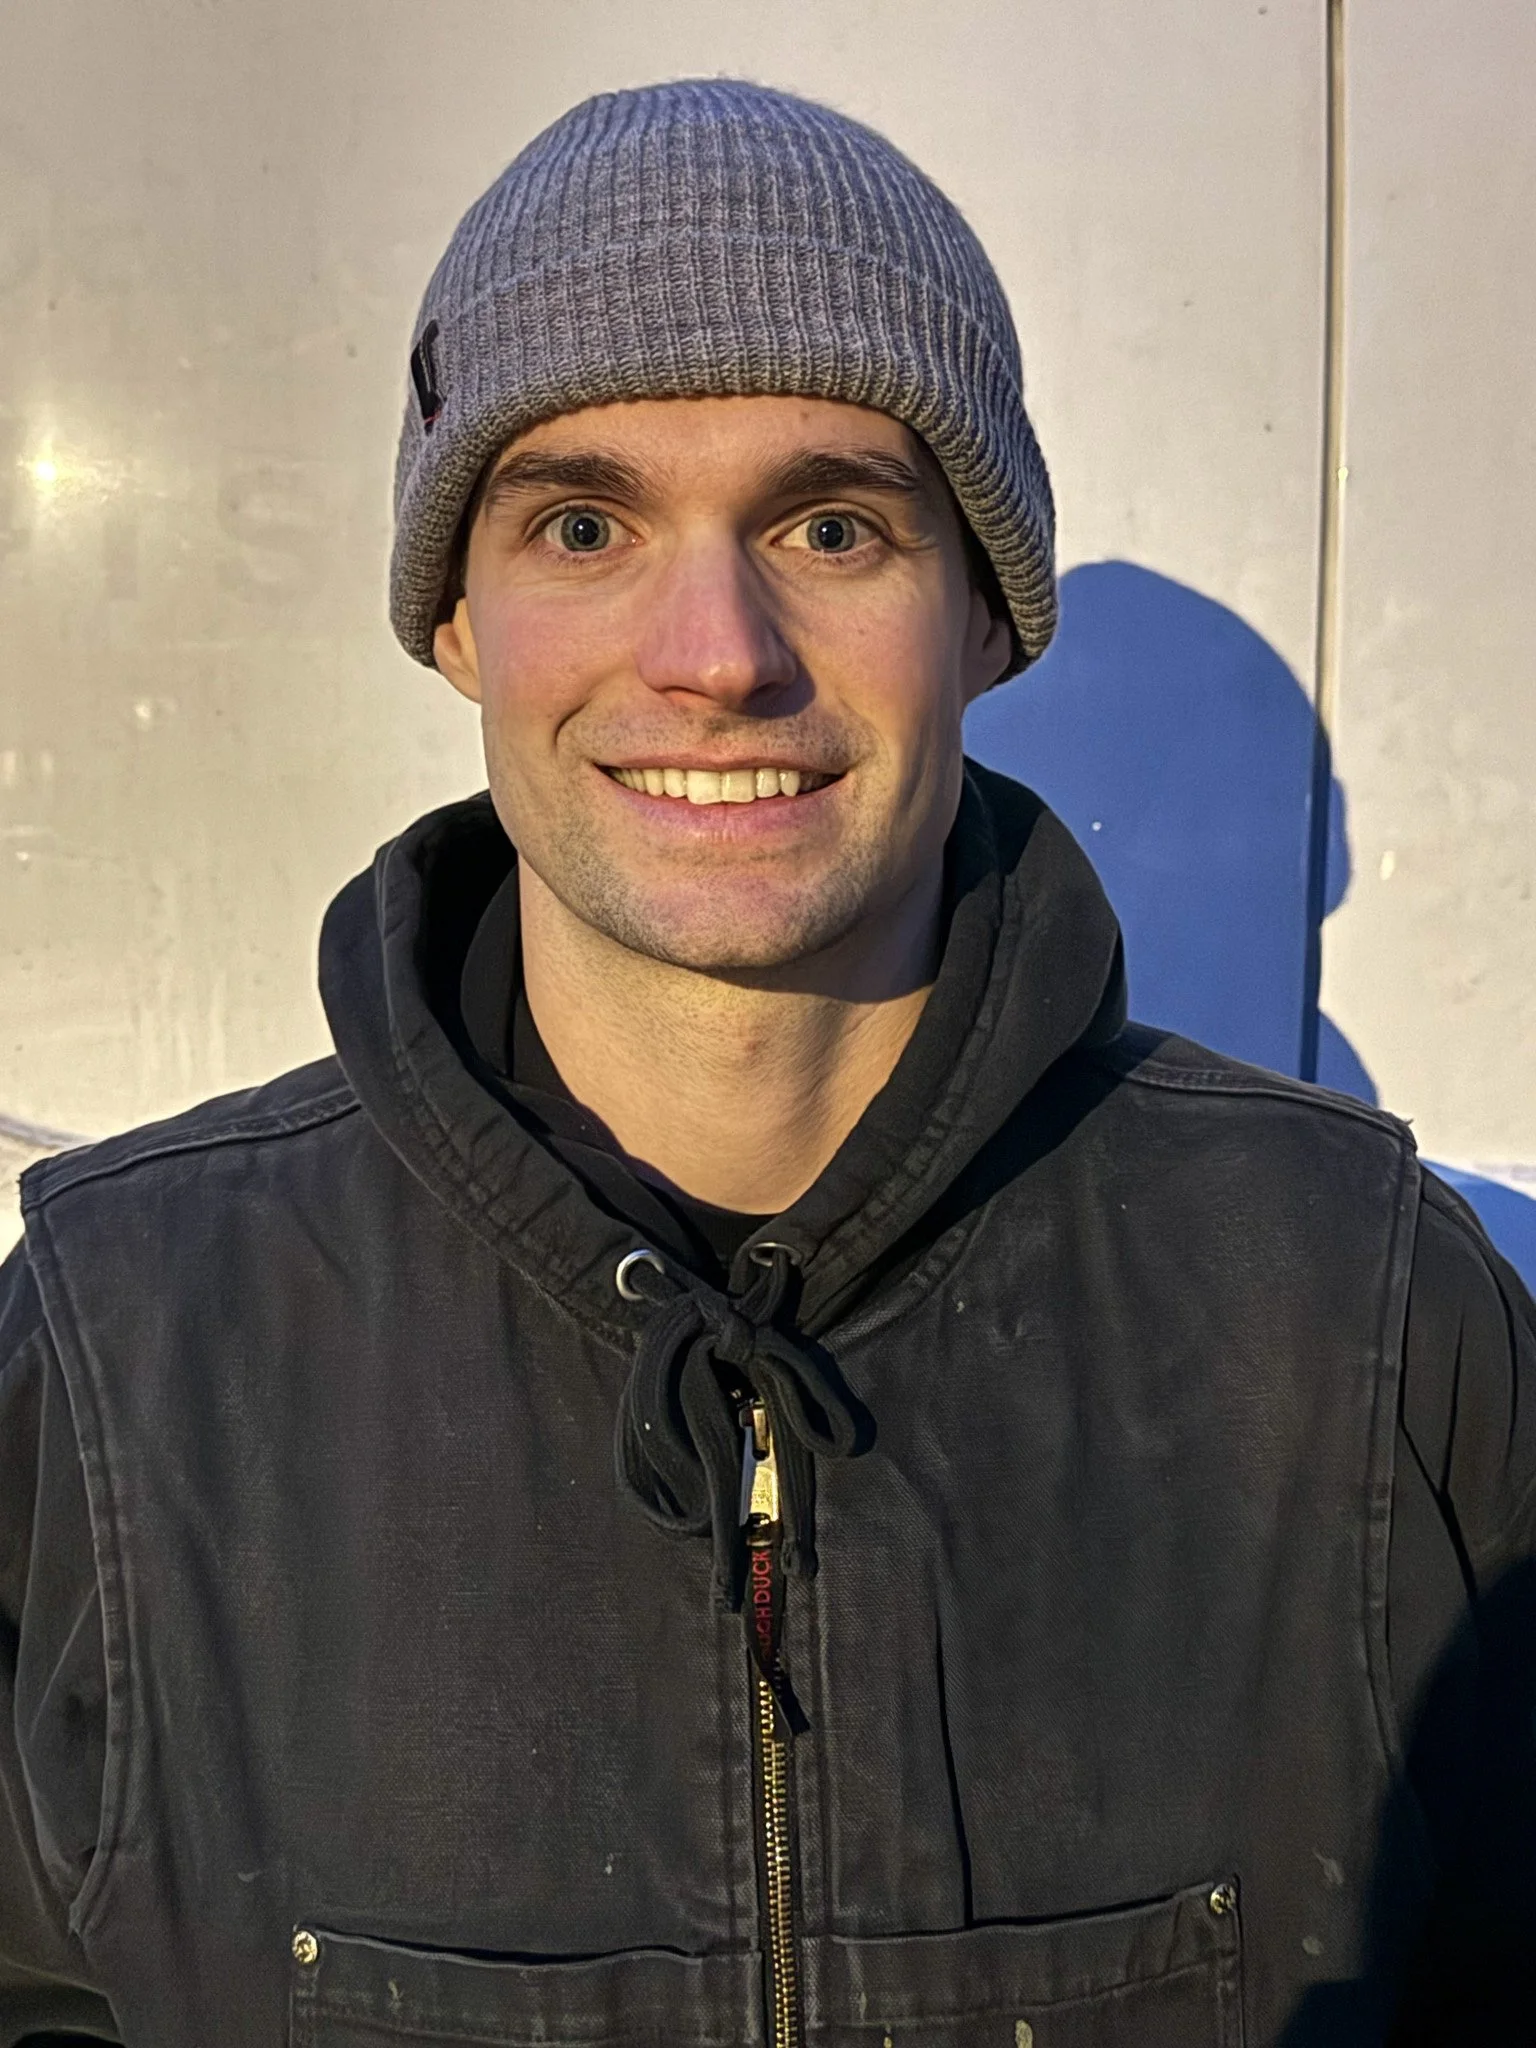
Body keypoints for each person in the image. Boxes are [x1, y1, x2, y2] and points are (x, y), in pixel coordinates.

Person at [1, 78, 1532, 2048]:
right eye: (583, 523)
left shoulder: (1363, 1317)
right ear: (457, 619)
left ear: (985, 614)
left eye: (831, 523)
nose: (718, 652)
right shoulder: (127, 1354)